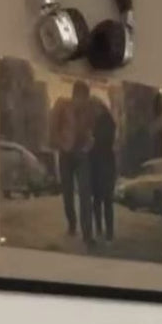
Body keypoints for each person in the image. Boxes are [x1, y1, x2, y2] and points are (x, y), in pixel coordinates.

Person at [48, 80, 96, 249]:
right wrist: (60, 143)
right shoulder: (62, 105)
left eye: (86, 98)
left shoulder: (88, 110)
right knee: (67, 193)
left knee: (85, 194)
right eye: (82, 97)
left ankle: (88, 234)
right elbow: (53, 127)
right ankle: (72, 224)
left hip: (81, 155)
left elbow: (91, 131)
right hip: (66, 154)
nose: (84, 101)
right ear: (75, 96)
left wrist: (88, 145)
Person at [90, 98, 117, 243]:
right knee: (102, 201)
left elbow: (102, 141)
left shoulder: (105, 121)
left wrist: (92, 138)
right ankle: (104, 231)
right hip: (102, 164)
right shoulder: (104, 121)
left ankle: (106, 232)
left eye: (95, 107)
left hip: (103, 164)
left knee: (103, 200)